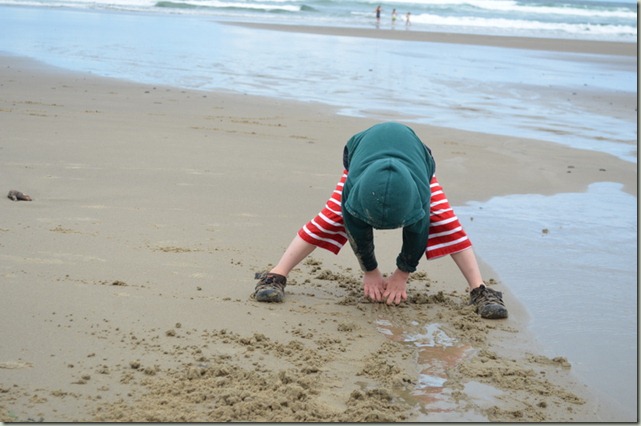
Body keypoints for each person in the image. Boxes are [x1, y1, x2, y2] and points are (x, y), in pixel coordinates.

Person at [252, 122, 508, 319]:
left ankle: (480, 290)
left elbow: (418, 233)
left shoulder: (420, 192)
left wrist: (402, 273)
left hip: (417, 163)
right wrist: (370, 270)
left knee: (446, 223)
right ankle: (276, 275)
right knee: (328, 220)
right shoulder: (353, 187)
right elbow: (355, 229)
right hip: (361, 158)